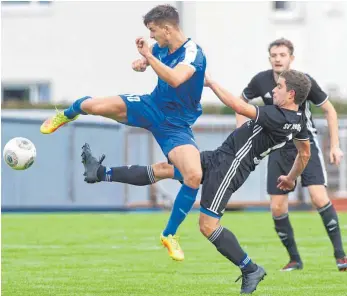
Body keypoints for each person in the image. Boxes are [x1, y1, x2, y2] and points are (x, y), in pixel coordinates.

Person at [81, 69, 312, 294]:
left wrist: (212, 84)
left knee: (207, 226)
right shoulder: (298, 121)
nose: (274, 90)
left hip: (230, 168)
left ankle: (250, 268)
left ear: (291, 95)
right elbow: (304, 153)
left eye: (279, 87)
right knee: (164, 169)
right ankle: (100, 173)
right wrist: (291, 178)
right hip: (220, 157)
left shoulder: (279, 116)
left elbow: (239, 107)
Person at [40, 4, 206, 261]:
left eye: (153, 31)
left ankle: (169, 234)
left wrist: (148, 57)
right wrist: (142, 62)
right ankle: (64, 115)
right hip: (151, 106)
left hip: (175, 125)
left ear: (167, 28)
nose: (151, 36)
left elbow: (175, 78)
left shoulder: (194, 54)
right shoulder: (162, 47)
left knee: (193, 176)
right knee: (93, 105)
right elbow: (152, 60)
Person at [236, 38, 346, 272]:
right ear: (269, 58)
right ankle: (294, 260)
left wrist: (335, 146)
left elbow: (330, 110)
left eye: (282, 55)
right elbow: (241, 102)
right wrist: (240, 133)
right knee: (277, 208)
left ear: (291, 58)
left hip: (304, 144)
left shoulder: (303, 82)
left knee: (318, 197)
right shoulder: (261, 80)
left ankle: (341, 256)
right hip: (277, 146)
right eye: (274, 55)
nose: (278, 58)